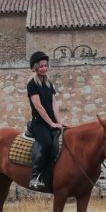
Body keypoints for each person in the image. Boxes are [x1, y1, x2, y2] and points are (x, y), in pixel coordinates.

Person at [26, 51, 68, 190]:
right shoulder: (32, 84)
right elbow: (38, 106)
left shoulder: (49, 83)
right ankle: (35, 175)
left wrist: (59, 122)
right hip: (39, 123)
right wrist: (51, 123)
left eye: (45, 65)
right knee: (47, 144)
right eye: (41, 66)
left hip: (52, 122)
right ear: (35, 68)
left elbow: (54, 104)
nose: (44, 68)